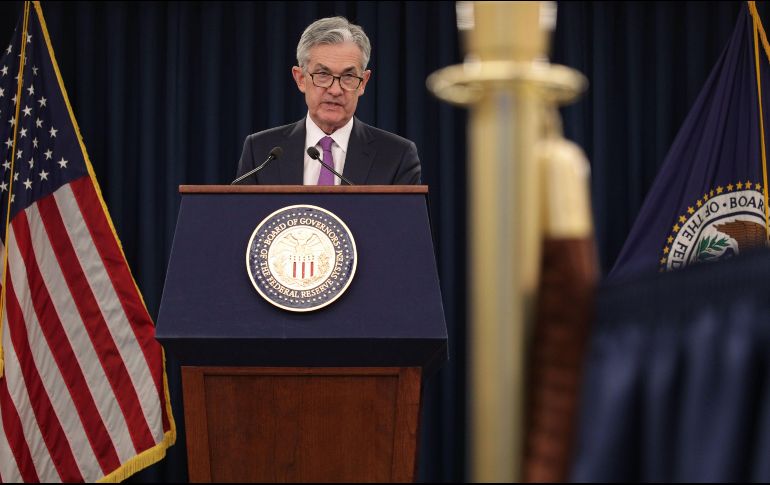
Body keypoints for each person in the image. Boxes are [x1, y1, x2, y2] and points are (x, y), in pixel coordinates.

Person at [235, 16, 421, 185]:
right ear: (300, 78)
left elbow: (405, 223)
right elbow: (242, 220)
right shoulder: (261, 152)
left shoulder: (397, 156)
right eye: (323, 74)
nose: (334, 90)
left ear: (363, 83)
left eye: (348, 76)